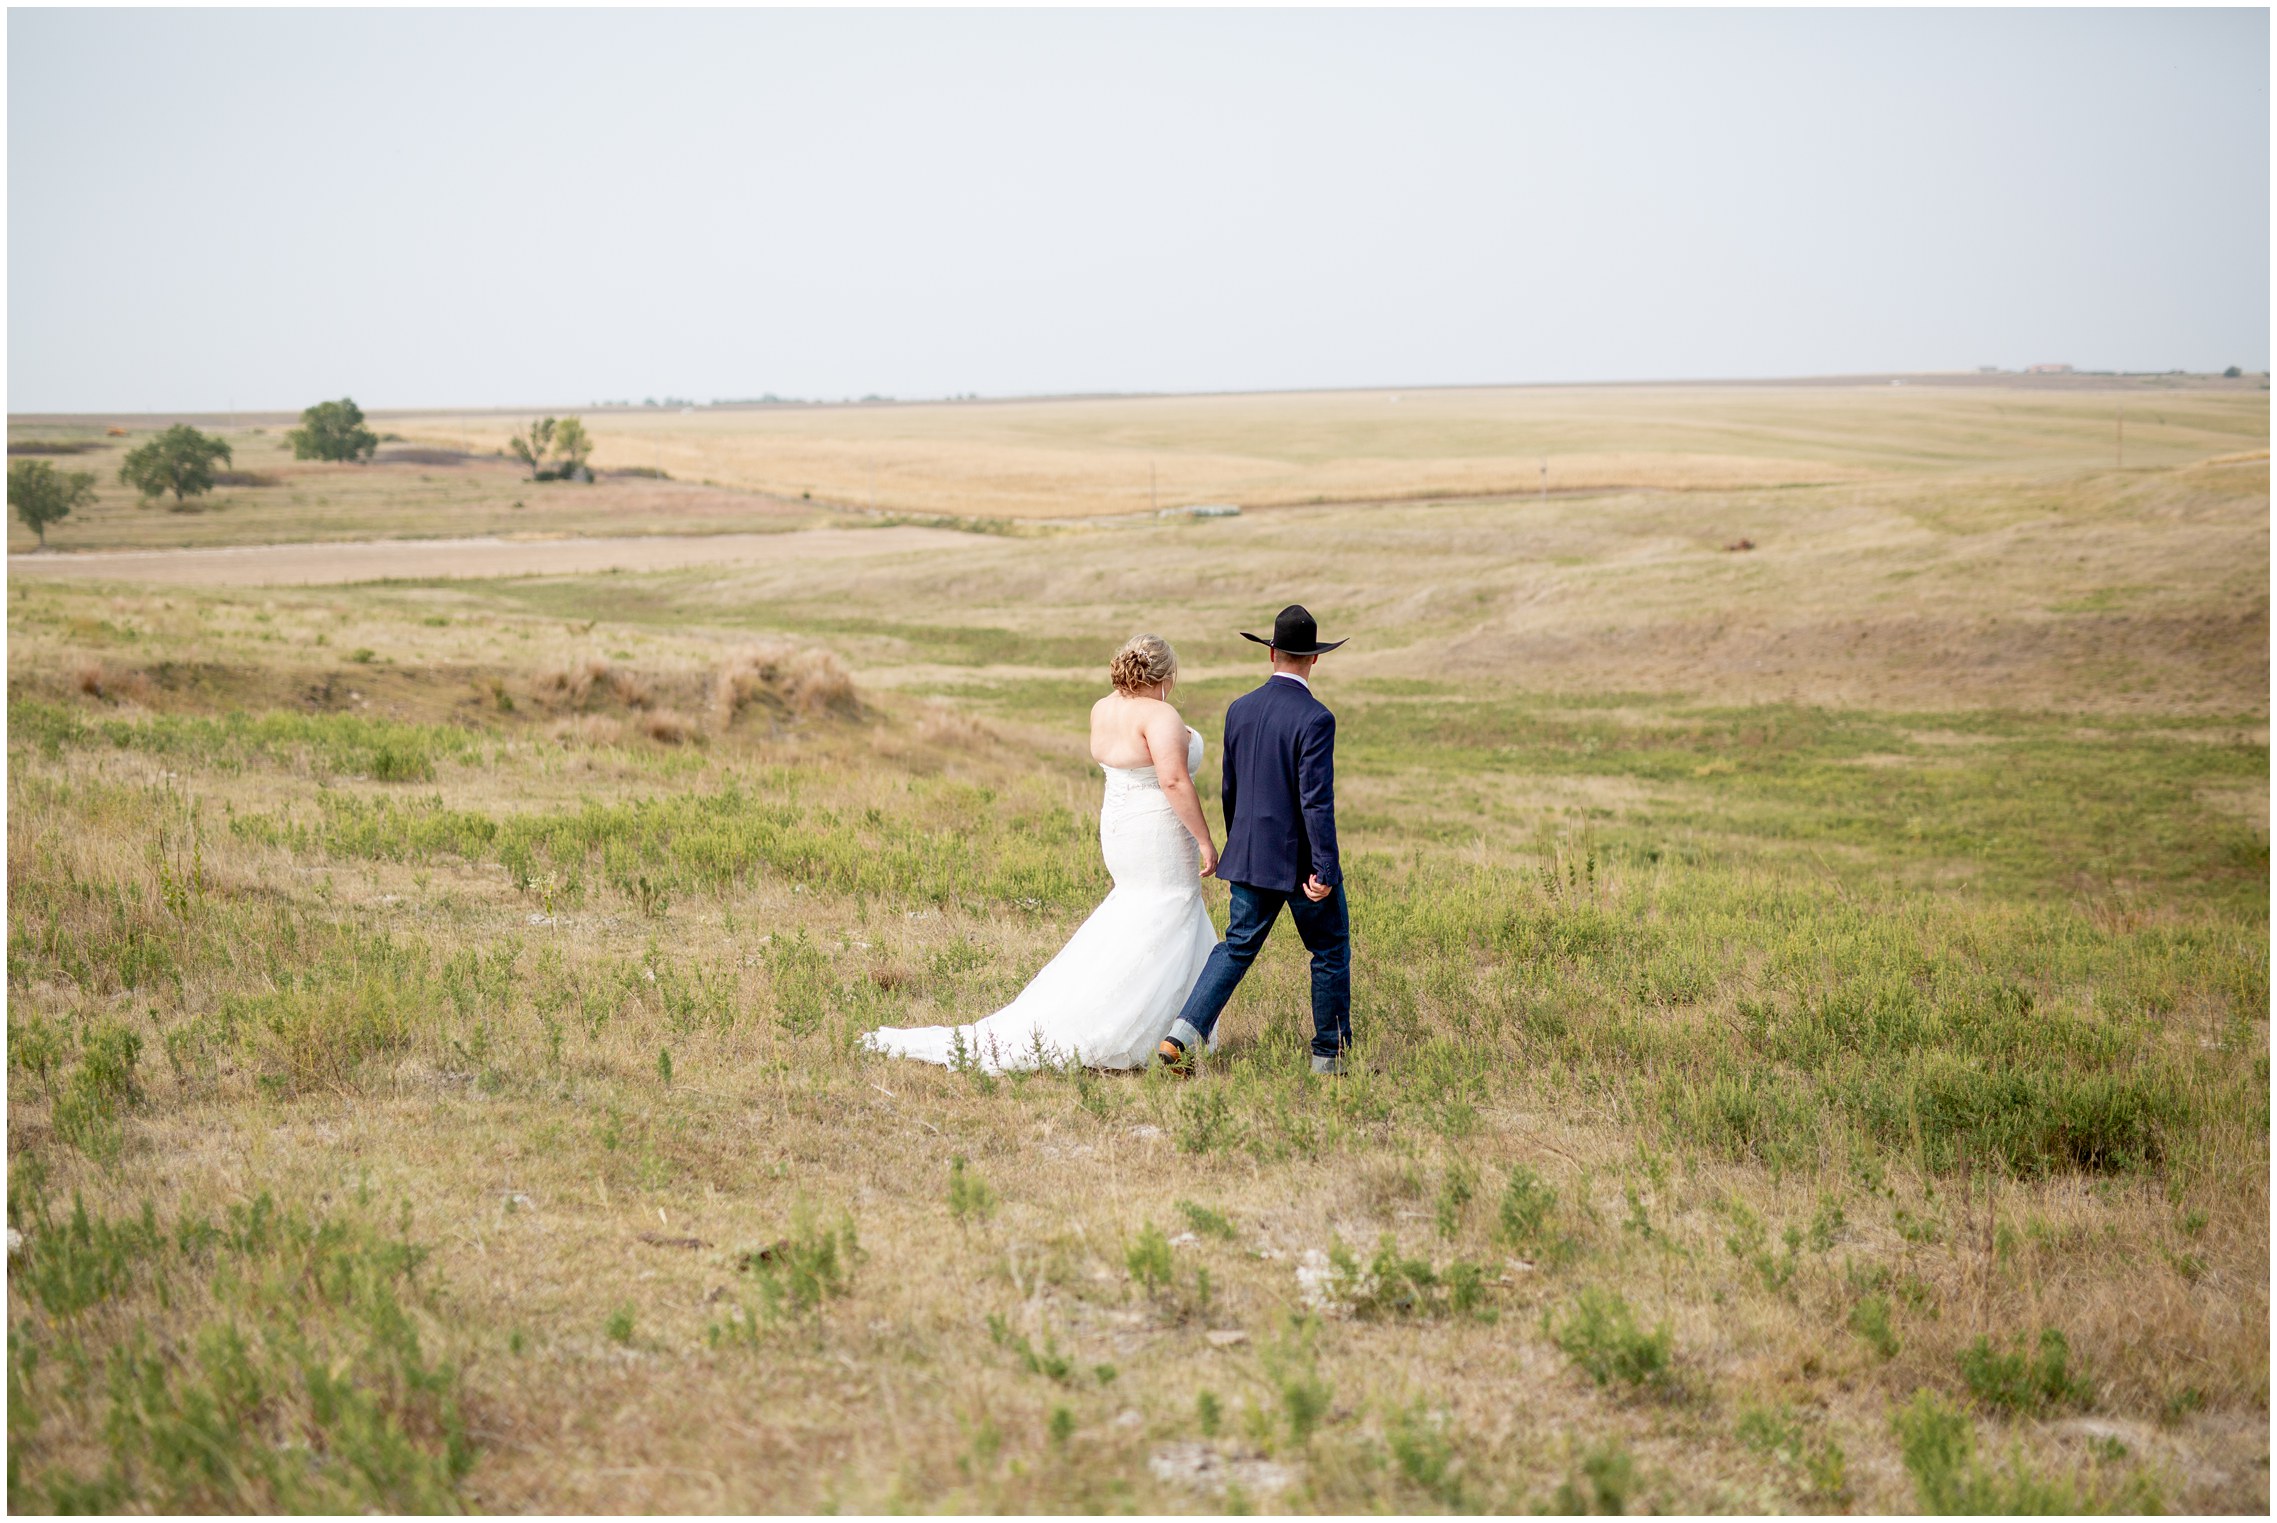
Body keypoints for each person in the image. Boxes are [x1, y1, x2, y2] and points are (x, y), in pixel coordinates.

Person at [861, 633, 1221, 1072]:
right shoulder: (1160, 715)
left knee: (1140, 910)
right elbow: (1173, 782)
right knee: (1166, 909)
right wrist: (1204, 838)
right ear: (1166, 676)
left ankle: (1165, 1026)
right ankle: (1144, 1028)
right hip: (1157, 831)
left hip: (1120, 828)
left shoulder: (1103, 709)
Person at [1160, 603, 1351, 1076]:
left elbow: (1232, 788)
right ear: (1315, 659)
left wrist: (1239, 844)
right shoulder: (1316, 718)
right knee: (1328, 951)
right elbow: (1316, 802)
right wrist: (1324, 869)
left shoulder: (1239, 709)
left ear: (1271, 654)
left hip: (1250, 854)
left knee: (1236, 946)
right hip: (1303, 865)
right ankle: (1330, 1059)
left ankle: (1178, 1040)